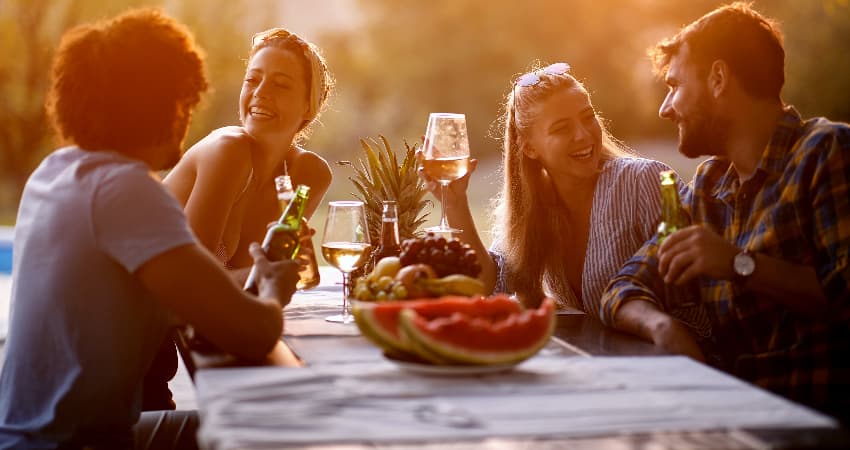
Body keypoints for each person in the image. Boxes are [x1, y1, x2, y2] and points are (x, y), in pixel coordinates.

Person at [0, 9, 301, 449]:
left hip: (25, 436)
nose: (189, 114)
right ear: (164, 105)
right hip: (70, 444)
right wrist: (273, 289)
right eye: (186, 100)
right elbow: (252, 332)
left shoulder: (55, 172)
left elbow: (183, 297)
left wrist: (247, 283)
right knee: (270, 431)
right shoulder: (126, 192)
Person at [600, 2, 850, 422]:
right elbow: (622, 289)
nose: (665, 108)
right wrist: (663, 327)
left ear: (718, 78)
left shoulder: (827, 152)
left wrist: (738, 263)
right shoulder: (709, 187)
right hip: (732, 422)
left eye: (675, 85)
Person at [419, 62, 707, 332]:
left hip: (686, 360)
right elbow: (487, 284)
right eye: (561, 128)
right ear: (529, 147)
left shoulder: (642, 181)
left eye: (588, 117)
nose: (582, 135)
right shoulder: (533, 210)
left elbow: (703, 283)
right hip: (612, 368)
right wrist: (455, 201)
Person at [164, 26, 334, 270]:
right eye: (253, 80)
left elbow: (254, 287)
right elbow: (192, 280)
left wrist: (282, 268)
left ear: (309, 106)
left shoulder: (309, 175)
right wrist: (270, 275)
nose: (261, 92)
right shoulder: (227, 150)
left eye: (280, 85)